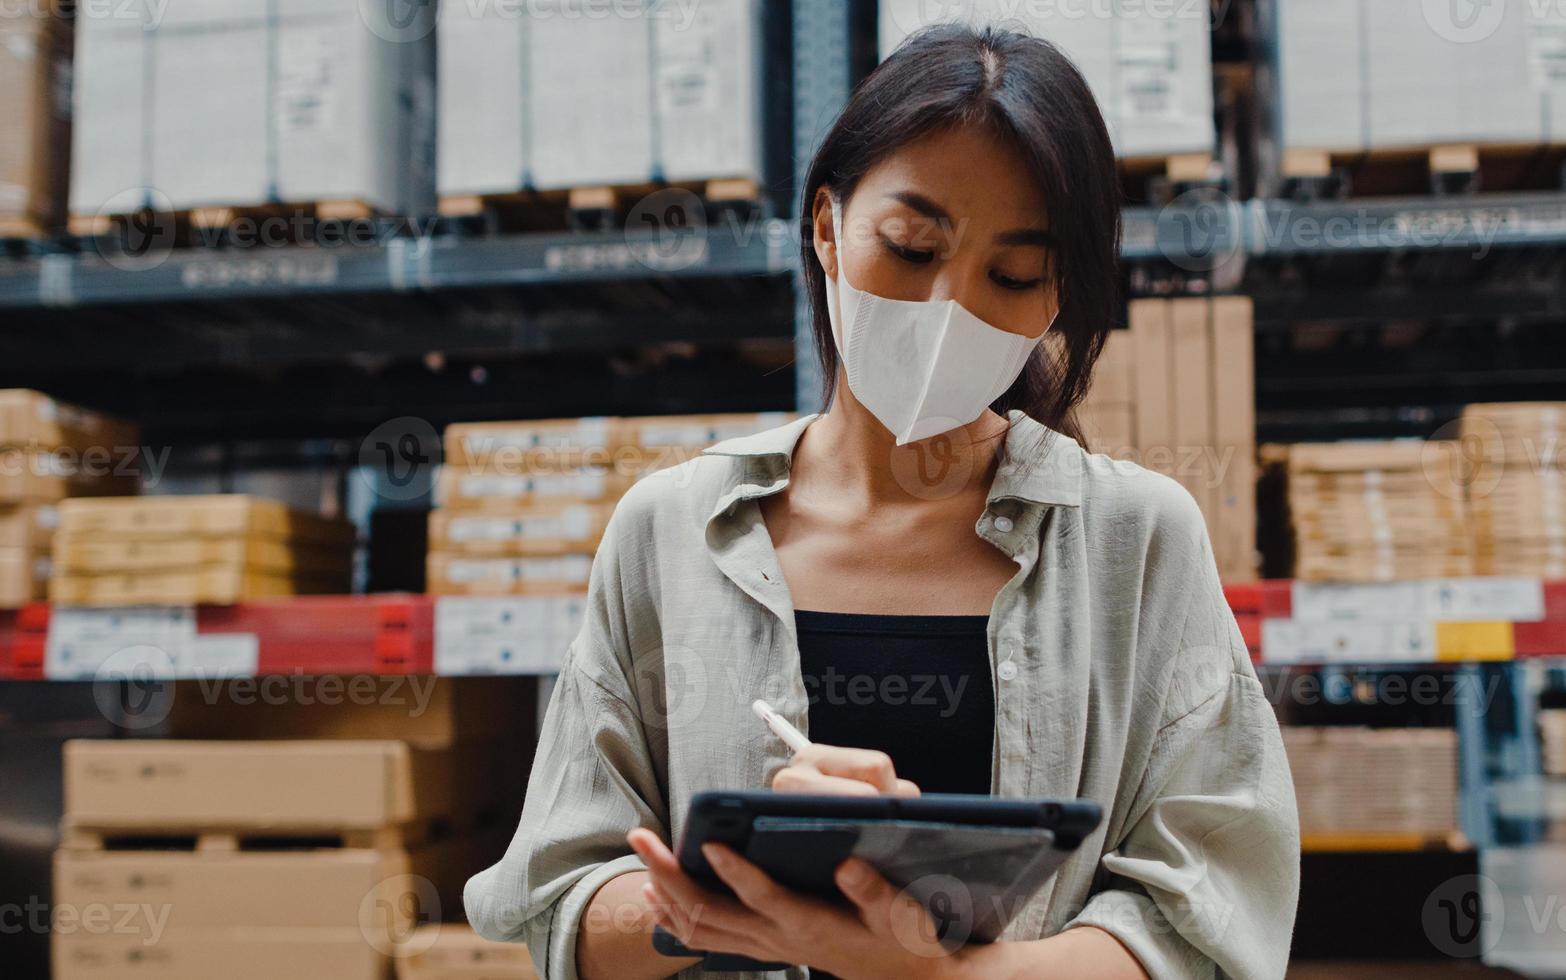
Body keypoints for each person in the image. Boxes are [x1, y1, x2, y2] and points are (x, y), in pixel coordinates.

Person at [464, 22, 1299, 980]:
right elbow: (557, 903)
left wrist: (928, 972)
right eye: (909, 248)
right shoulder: (673, 531)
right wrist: (741, 887)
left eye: (1013, 275)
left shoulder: (1136, 540)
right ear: (827, 227)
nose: (951, 309)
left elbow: (1212, 919)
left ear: (1058, 296)